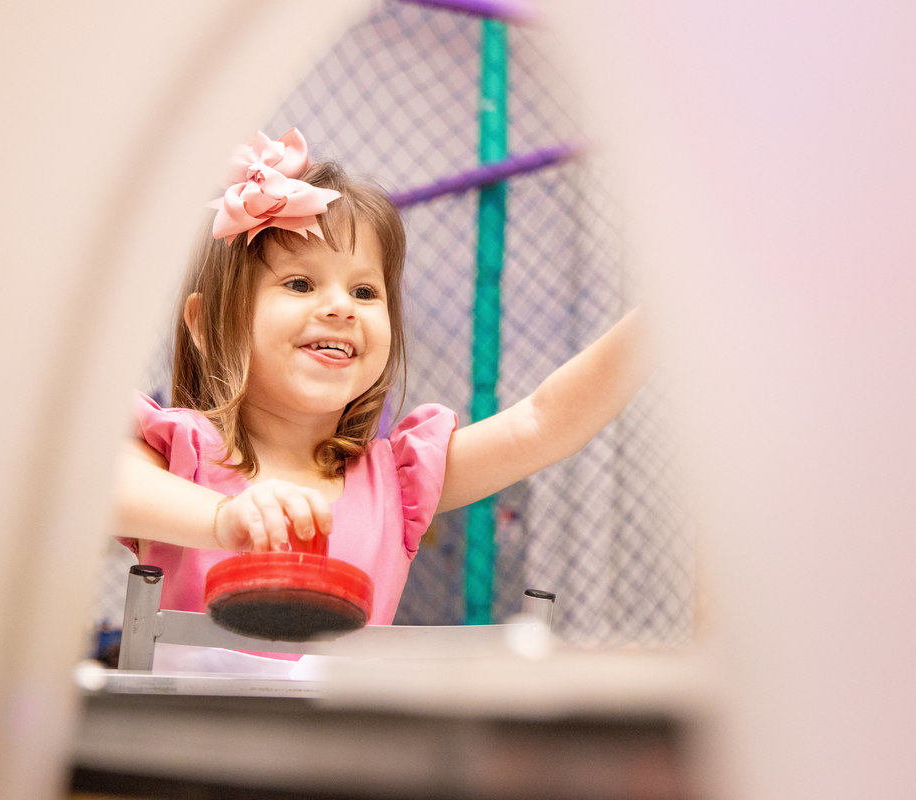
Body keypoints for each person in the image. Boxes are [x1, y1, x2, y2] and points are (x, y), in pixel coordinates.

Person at [112, 128, 652, 635]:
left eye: (366, 292)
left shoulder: (396, 482)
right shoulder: (177, 454)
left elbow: (542, 422)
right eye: (300, 283)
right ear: (208, 324)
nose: (341, 307)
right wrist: (224, 518)